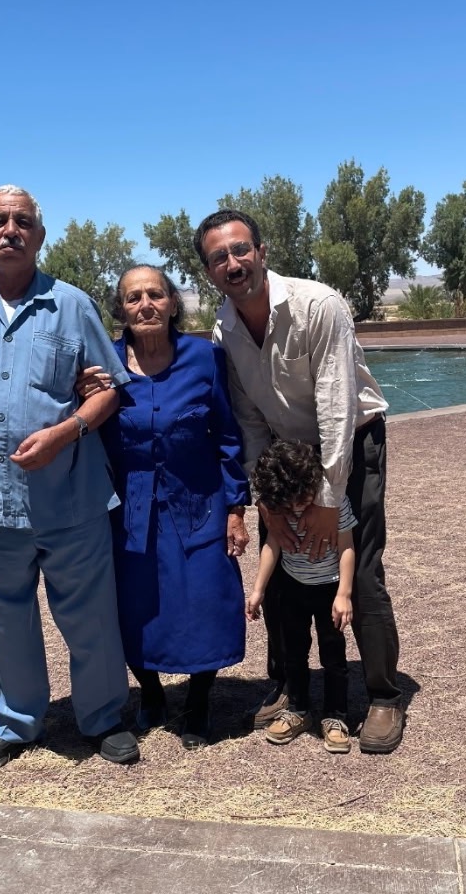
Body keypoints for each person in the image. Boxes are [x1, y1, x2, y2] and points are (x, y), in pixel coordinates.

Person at [0, 185, 141, 772]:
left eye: (22, 221)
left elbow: (108, 392)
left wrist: (65, 433)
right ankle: (16, 722)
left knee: (89, 616)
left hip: (70, 497)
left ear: (40, 236)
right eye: (0, 221)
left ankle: (102, 718)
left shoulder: (71, 306)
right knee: (7, 620)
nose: (11, 230)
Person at [194, 210, 404, 754]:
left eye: (241, 250)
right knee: (285, 571)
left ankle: (383, 695)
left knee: (360, 569)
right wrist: (265, 501)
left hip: (350, 444)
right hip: (284, 460)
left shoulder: (319, 306)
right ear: (209, 271)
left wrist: (329, 501)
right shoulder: (225, 328)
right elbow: (248, 418)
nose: (233, 263)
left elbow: (337, 407)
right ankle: (290, 685)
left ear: (262, 252)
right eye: (219, 257)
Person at [94, 266, 249, 748]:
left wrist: (236, 508)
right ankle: (152, 694)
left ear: (173, 303)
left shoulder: (205, 358)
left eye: (155, 294)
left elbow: (227, 436)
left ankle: (199, 701)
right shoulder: (103, 365)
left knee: (205, 599)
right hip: (128, 511)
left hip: (199, 502)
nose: (146, 305)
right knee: (133, 606)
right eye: (133, 297)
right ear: (122, 310)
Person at [245, 439, 356, 753]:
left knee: (333, 656)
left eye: (303, 501)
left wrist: (344, 594)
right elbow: (272, 545)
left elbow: (347, 547)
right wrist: (258, 589)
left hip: (329, 590)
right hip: (293, 587)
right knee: (293, 653)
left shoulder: (334, 502)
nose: (296, 508)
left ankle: (336, 716)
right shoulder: (280, 503)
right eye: (288, 504)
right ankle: (298, 708)